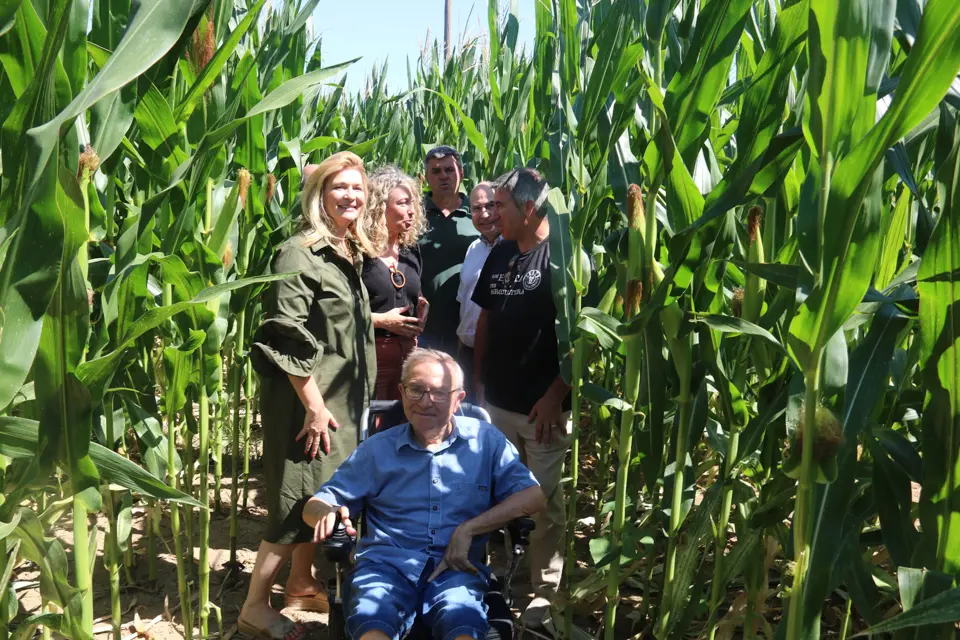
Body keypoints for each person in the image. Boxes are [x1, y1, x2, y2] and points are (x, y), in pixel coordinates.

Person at [303, 349, 547, 640]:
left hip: (457, 568)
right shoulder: (377, 450)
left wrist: (469, 529)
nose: (425, 402)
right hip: (385, 568)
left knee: (463, 620)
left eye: (440, 393)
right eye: (416, 390)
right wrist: (326, 513)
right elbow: (316, 504)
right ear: (402, 392)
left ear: (459, 399)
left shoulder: (485, 442)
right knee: (372, 620)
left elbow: (533, 496)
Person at [240, 152, 378, 640]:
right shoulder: (299, 253)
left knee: (322, 494)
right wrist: (315, 408)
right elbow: (282, 334)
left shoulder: (345, 251)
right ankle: (254, 606)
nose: (351, 196)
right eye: (339, 187)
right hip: (309, 405)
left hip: (338, 404)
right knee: (296, 498)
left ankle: (300, 583)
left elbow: (338, 327)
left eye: (358, 188)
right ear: (318, 194)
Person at [471, 167, 570, 628]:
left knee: (544, 503)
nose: (493, 214)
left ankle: (544, 593)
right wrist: (477, 384)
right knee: (496, 495)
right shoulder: (502, 252)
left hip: (541, 409)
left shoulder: (563, 257)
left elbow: (580, 337)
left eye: (502, 206)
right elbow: (487, 319)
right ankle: (503, 579)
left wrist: (556, 394)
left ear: (528, 209)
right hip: (497, 402)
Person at [362, 165, 429, 400]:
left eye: (412, 203)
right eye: (402, 203)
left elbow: (412, 291)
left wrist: (421, 304)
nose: (411, 211)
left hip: (409, 355)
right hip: (369, 358)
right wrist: (381, 320)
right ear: (379, 207)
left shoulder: (411, 250)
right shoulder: (358, 252)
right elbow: (339, 312)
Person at [417, 145, 478, 354]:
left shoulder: (478, 213)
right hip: (424, 326)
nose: (443, 176)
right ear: (426, 177)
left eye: (449, 170)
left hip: (468, 327)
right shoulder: (414, 214)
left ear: (461, 173)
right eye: (436, 171)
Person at [456, 182, 500, 403]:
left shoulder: (515, 247)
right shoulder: (473, 248)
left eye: (490, 205)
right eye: (476, 208)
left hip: (497, 356)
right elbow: (464, 303)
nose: (484, 214)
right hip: (467, 353)